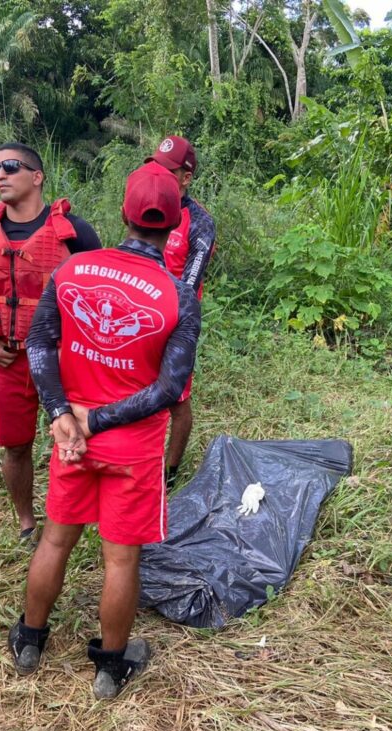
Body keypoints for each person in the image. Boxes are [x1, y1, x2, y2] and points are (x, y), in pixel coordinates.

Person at [7, 162, 201, 699]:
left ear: (123, 212)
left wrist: (61, 413)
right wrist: (101, 418)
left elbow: (41, 345)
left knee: (54, 539)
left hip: (71, 439)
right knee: (121, 558)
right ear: (175, 221)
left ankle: (29, 640)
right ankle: (110, 669)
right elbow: (169, 388)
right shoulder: (178, 297)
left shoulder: (72, 272)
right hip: (133, 448)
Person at [0, 143, 101, 547]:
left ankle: (73, 518)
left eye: (11, 167)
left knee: (74, 437)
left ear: (36, 176)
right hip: (6, 361)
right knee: (15, 446)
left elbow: (101, 294)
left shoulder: (76, 233)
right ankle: (26, 523)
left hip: (62, 361)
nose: (0, 174)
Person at [145, 135, 216, 489]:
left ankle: (169, 472)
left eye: (167, 170)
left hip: (177, 322)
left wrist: (166, 320)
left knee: (176, 396)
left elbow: (189, 282)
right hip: (141, 318)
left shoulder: (199, 221)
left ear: (185, 178)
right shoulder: (144, 206)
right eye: (154, 167)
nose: (157, 176)